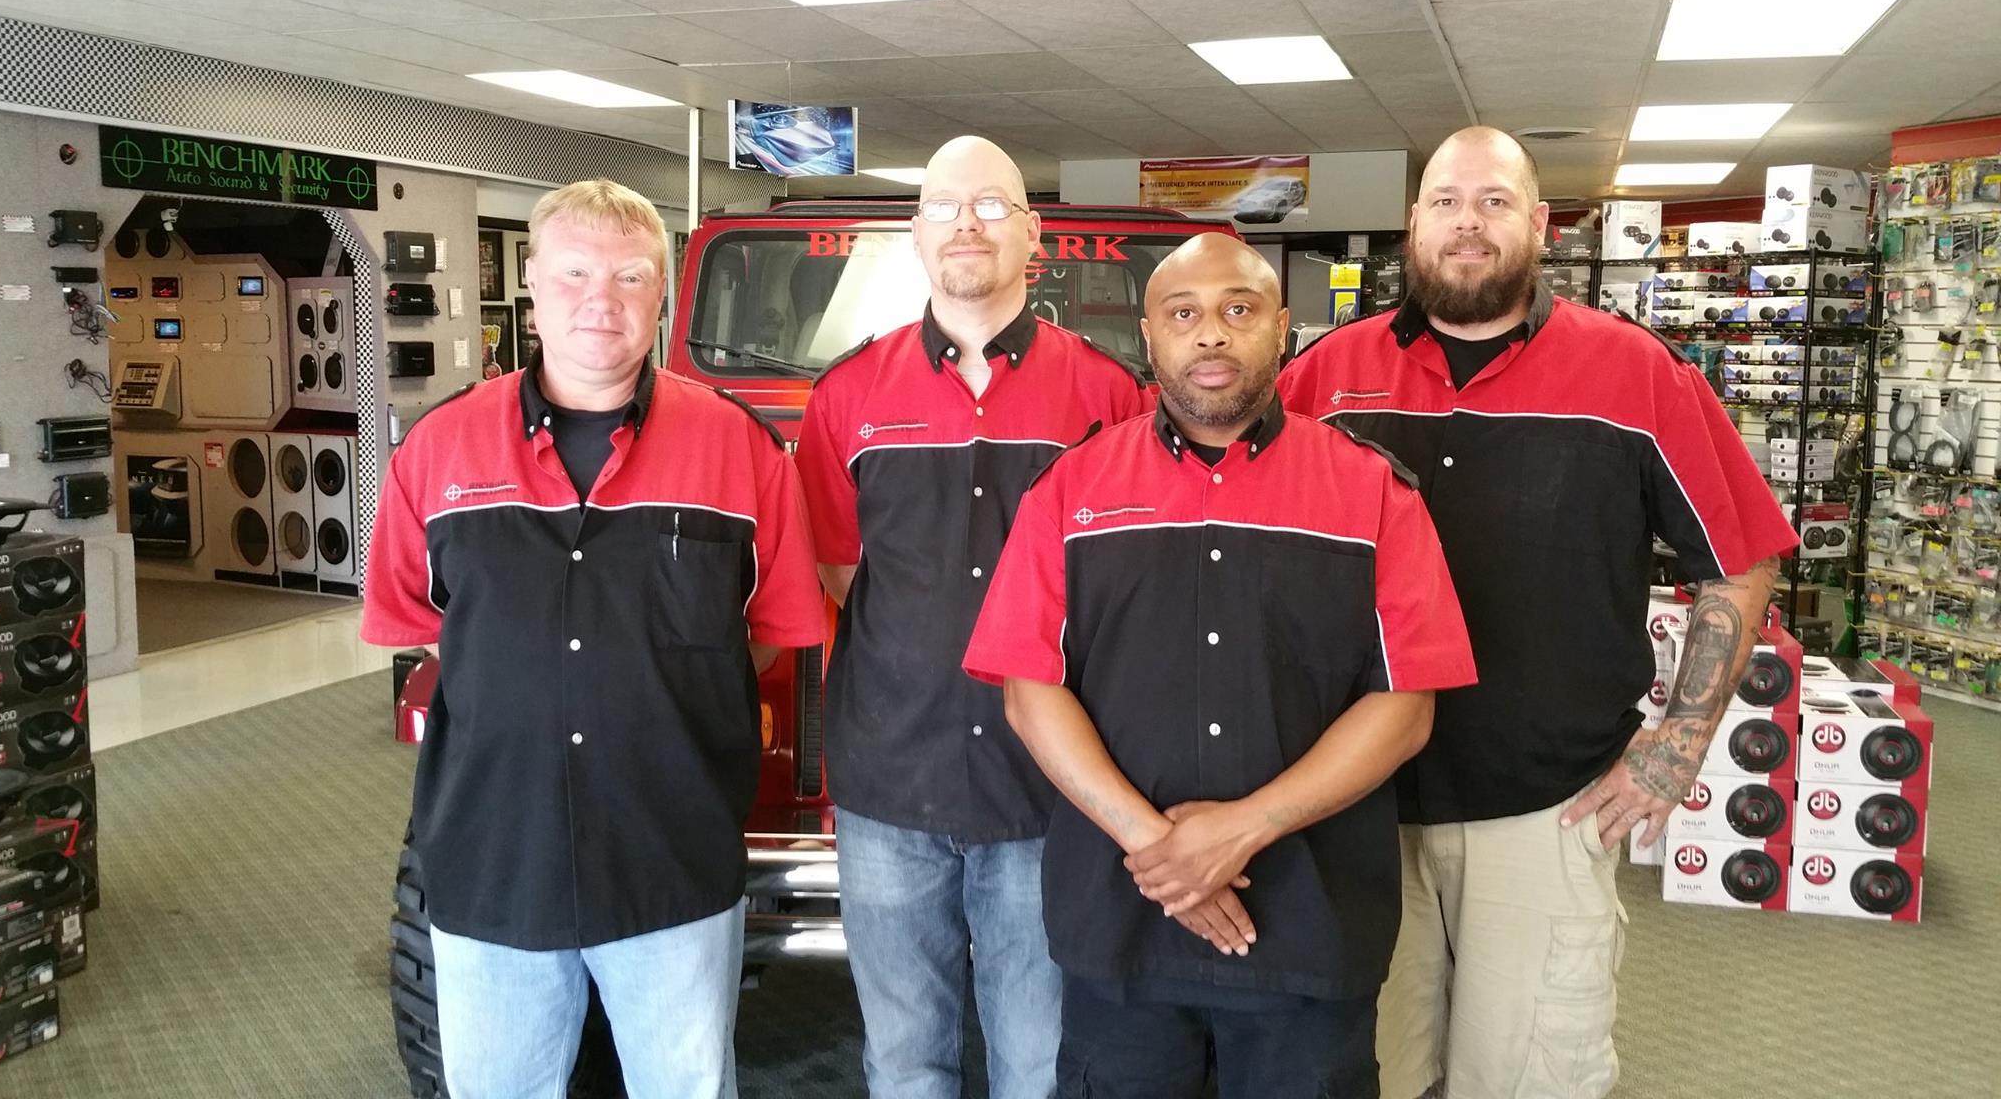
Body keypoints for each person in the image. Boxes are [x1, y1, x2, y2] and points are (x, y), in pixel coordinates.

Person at [1278, 127, 1798, 1099]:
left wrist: (1673, 749)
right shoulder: (1322, 378)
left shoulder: (1635, 374)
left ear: (1539, 224)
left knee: (1524, 1077)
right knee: (1359, 1068)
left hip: (1541, 804)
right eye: (1444, 202)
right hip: (1352, 801)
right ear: (1412, 222)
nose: (1465, 223)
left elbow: (1738, 559)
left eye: (1492, 202)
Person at [964, 233, 1477, 1099]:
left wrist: (1239, 832)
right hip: (1120, 923)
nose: (1211, 334)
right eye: (1184, 314)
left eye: (1238, 311)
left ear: (1281, 331)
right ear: (1149, 336)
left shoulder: (1372, 492)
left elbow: (1406, 707)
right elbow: (1028, 691)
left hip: (1311, 929)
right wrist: (1161, 850)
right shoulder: (1069, 491)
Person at [361, 180, 825, 1099]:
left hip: (672, 856)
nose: (600, 300)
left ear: (663, 294)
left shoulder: (741, 450)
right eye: (573, 273)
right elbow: (420, 629)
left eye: (629, 276)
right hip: (496, 855)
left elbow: (770, 639)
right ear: (531, 283)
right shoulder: (438, 449)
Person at [793, 135, 1148, 1099]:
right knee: (906, 1059)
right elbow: (837, 568)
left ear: (1034, 234)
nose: (966, 222)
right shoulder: (847, 398)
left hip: (1045, 790)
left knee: (1039, 1057)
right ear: (914, 233)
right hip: (889, 783)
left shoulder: (1107, 397)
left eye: (991, 205)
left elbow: (1119, 592)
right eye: (945, 205)